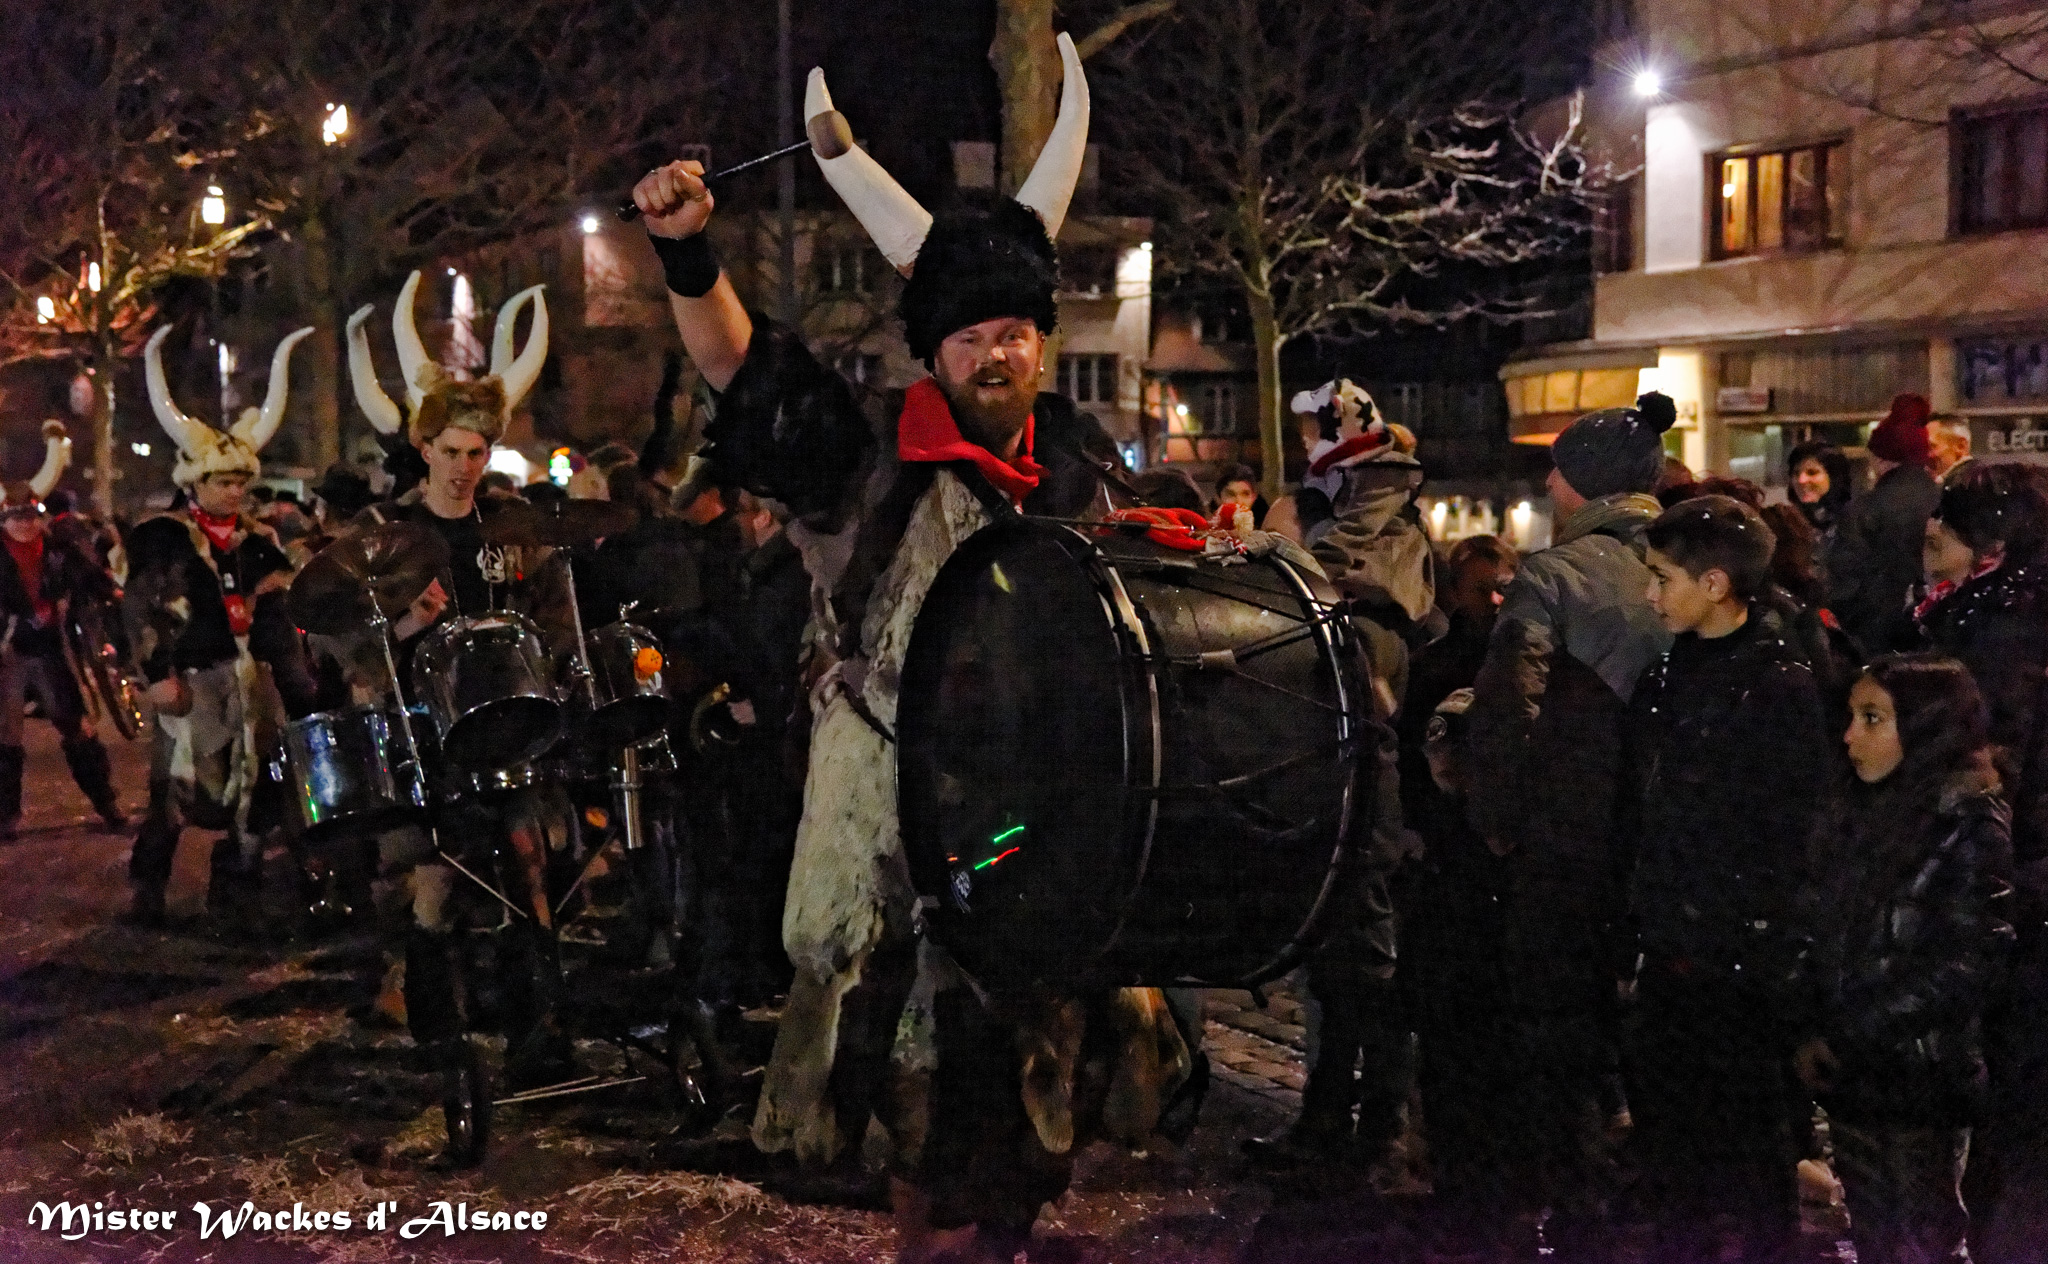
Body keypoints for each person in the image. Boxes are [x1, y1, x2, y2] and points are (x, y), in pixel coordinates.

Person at [632, 37, 1175, 1259]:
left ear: (1044, 340)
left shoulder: (1080, 465)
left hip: (1038, 830)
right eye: (971, 335)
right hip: (896, 837)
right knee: (919, 1113)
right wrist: (686, 251)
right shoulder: (860, 453)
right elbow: (741, 369)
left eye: (1015, 330)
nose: (997, 354)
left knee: (1034, 1111)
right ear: (933, 350)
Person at [341, 270, 567, 1165]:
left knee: (532, 870)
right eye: (451, 449)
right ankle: (444, 1047)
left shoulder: (512, 526)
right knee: (435, 889)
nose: (466, 465)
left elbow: (552, 614)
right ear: (424, 447)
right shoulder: (385, 534)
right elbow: (343, 641)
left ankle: (537, 1033)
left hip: (507, 729)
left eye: (478, 450)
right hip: (423, 743)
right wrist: (401, 630)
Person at [1463, 391, 1675, 1256]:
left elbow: (1511, 709)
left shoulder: (1553, 576)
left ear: (1585, 481)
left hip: (1571, 841)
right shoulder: (1688, 562)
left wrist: (1501, 821)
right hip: (1669, 841)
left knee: (1560, 1023)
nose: (1548, 485)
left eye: (1557, 471)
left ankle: (1576, 1198)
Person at [1625, 495, 1834, 1262]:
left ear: (1714, 584)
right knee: (1673, 1140)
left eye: (1662, 577)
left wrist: (1770, 944)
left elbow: (1792, 832)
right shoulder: (1668, 672)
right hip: (1672, 940)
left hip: (1740, 955)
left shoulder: (1776, 684)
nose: (1650, 595)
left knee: (1748, 1144)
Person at [1794, 654, 2013, 1264]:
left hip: (1921, 1079)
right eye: (1852, 716)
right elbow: (1820, 923)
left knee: (1921, 1237)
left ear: (1925, 727)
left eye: (1872, 719)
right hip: (1856, 1075)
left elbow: (1972, 958)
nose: (1850, 736)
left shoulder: (1965, 819)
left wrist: (1852, 1029)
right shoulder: (1857, 810)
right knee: (1875, 1234)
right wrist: (1810, 1017)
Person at [127, 325, 321, 928]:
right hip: (192, 677)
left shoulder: (262, 541)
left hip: (251, 678)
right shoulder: (164, 537)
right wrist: (157, 674)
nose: (234, 491)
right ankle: (148, 888)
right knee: (179, 788)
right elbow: (142, 609)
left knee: (256, 786)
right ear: (195, 481)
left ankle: (237, 891)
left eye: (241, 482)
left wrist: (293, 677)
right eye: (223, 481)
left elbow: (282, 613)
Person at [1905, 463, 2048, 1261]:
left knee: (2015, 1105)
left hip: (2019, 887)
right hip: (2025, 882)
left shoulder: (1998, 631)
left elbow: (1994, 770)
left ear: (1991, 546)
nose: (1930, 534)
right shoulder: (1988, 617)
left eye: (1947, 524)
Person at [0, 422, 124, 837]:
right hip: (10, 650)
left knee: (77, 727)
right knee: (7, 734)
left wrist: (111, 591)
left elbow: (88, 574)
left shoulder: (57, 547)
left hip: (52, 648)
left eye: (29, 515)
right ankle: (6, 817)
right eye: (14, 516)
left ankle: (107, 803)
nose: (23, 523)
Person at [1829, 394, 1941, 654]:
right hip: (1937, 631)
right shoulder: (1946, 499)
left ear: (1880, 459)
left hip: (1878, 639)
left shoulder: (1864, 509)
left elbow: (1845, 582)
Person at [1215, 462, 1267, 527]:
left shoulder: (1267, 530)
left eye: (1245, 494)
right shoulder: (1206, 530)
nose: (1239, 502)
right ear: (1218, 498)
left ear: (1254, 497)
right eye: (1231, 494)